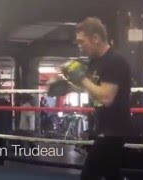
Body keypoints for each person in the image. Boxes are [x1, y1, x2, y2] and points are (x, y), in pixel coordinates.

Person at [53, 17, 132, 179]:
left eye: (82, 42)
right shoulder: (94, 62)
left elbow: (106, 97)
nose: (80, 47)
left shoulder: (115, 61)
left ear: (95, 38)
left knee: (89, 175)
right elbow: (91, 88)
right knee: (111, 174)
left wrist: (80, 77)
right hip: (103, 127)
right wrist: (67, 86)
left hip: (114, 130)